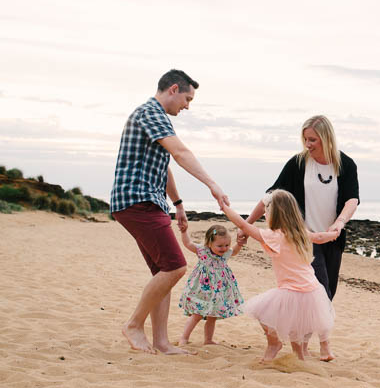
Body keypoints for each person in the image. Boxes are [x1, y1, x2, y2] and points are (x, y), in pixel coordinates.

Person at [111, 69, 229, 355]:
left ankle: (162, 342)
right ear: (173, 89)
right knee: (176, 266)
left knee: (161, 271)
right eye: (187, 98)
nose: (187, 106)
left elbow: (164, 166)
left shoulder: (157, 118)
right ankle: (134, 324)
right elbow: (180, 153)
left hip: (147, 201)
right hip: (137, 199)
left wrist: (178, 205)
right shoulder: (151, 112)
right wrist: (212, 184)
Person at [242, 115, 359, 300]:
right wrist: (247, 224)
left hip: (333, 239)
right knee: (320, 294)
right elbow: (271, 195)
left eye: (312, 139)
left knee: (328, 295)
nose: (307, 144)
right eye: (305, 139)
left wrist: (339, 223)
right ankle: (310, 329)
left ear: (326, 138)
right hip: (305, 238)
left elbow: (352, 200)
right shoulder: (298, 163)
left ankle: (305, 328)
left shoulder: (346, 164)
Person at [222, 190, 337, 362]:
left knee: (261, 312)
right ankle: (300, 357)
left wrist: (224, 207)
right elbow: (320, 237)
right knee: (297, 328)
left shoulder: (273, 236)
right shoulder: (301, 234)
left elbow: (243, 225)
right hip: (312, 290)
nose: (265, 214)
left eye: (267, 211)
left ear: (274, 214)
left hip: (291, 291)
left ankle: (274, 343)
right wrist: (334, 233)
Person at [177, 224, 247, 346]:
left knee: (212, 315)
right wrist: (184, 231)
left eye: (226, 245)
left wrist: (240, 244)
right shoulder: (202, 250)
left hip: (218, 290)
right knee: (197, 314)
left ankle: (208, 339)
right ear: (209, 243)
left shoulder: (225, 254)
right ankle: (184, 338)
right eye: (219, 246)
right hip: (202, 289)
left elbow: (234, 251)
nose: (224, 248)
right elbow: (188, 244)